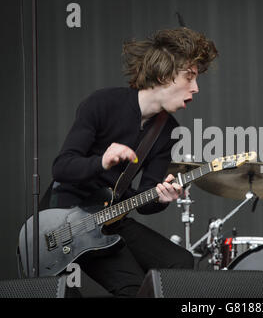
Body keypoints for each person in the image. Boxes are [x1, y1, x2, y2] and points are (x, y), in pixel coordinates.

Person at [49, 27, 218, 297]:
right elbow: (62, 168)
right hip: (66, 218)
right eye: (190, 77)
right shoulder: (102, 103)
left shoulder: (167, 130)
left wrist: (162, 198)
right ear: (164, 75)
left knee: (180, 262)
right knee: (132, 288)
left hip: (112, 217)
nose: (196, 88)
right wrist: (100, 162)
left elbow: (145, 201)